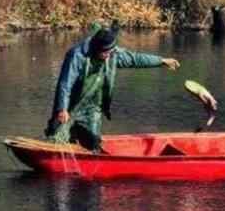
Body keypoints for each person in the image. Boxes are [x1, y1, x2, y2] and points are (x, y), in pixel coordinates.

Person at [45, 23, 181, 151]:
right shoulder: (77, 56)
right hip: (71, 106)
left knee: (93, 143)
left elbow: (135, 59)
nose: (109, 55)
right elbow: (65, 84)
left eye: (111, 52)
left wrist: (161, 61)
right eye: (105, 53)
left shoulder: (112, 54)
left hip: (92, 108)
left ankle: (90, 162)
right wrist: (62, 108)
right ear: (96, 49)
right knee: (59, 137)